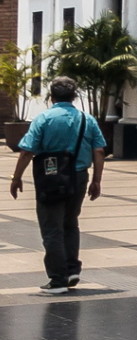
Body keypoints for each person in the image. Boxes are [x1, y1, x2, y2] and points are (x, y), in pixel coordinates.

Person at [7, 76, 106, 294]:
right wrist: (97, 180)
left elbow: (27, 150)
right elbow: (99, 151)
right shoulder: (86, 119)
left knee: (51, 228)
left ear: (51, 96)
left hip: (50, 178)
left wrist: (16, 177)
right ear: (74, 96)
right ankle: (72, 269)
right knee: (70, 223)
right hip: (79, 177)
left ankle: (58, 279)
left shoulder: (43, 119)